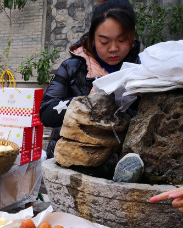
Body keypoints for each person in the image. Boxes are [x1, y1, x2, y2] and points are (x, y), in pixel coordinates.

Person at [39, 0, 140, 158]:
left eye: (121, 40)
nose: (113, 48)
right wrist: (86, 101)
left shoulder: (143, 72)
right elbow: (46, 113)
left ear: (132, 37)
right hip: (69, 160)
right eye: (104, 42)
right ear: (92, 38)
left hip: (120, 164)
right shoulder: (72, 68)